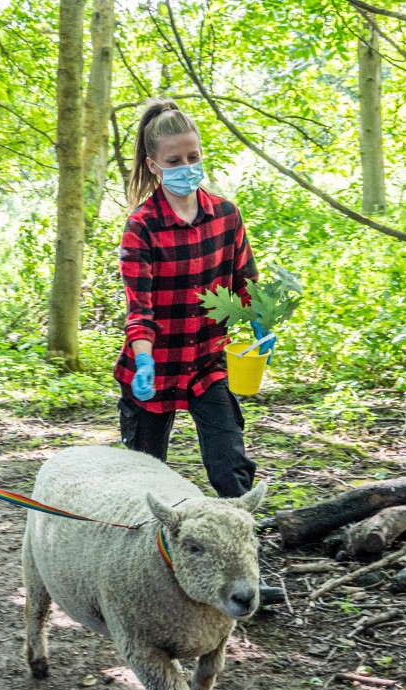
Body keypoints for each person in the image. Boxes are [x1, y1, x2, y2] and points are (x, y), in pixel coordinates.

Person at [115, 98, 271, 498]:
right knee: (144, 477)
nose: (186, 168)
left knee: (231, 466)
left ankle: (240, 543)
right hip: (153, 366)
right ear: (154, 166)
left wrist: (259, 322)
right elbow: (140, 308)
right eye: (174, 161)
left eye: (193, 156)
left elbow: (246, 281)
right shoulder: (141, 227)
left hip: (207, 362)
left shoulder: (226, 215)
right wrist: (145, 358)